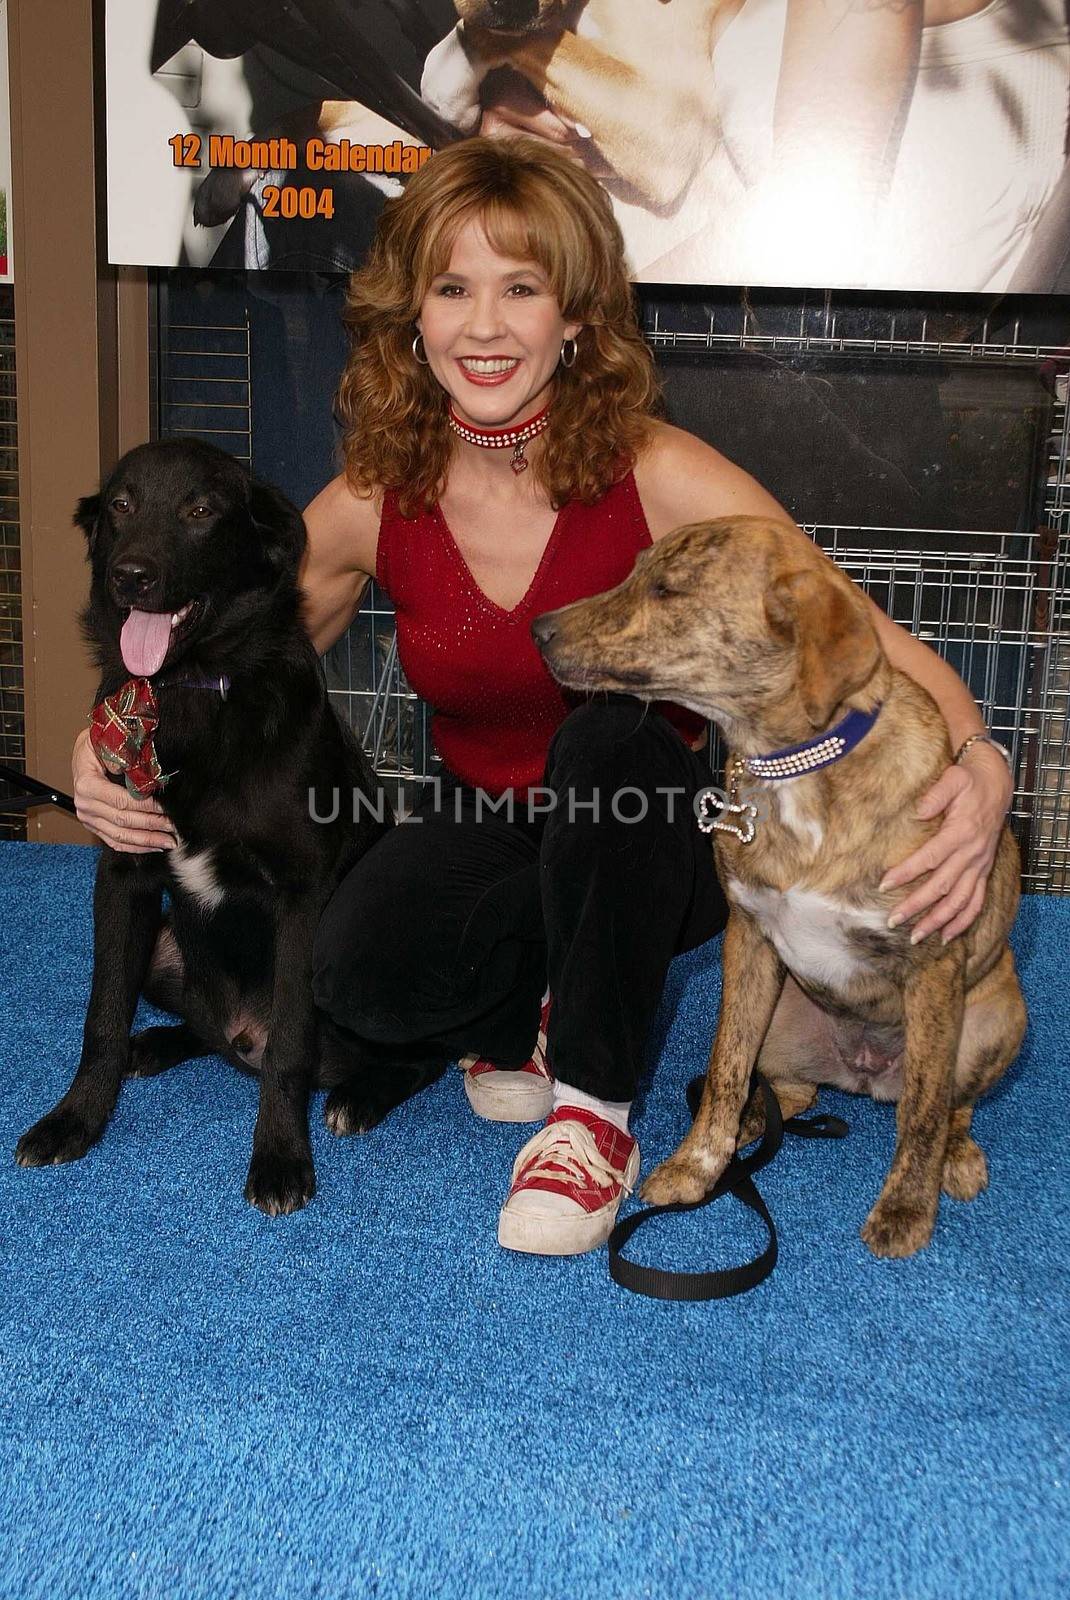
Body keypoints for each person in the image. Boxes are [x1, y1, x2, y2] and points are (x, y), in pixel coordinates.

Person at [72, 135, 1013, 1257]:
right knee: (353, 978)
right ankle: (524, 1010)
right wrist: (108, 738)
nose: (483, 325)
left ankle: (592, 1113)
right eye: (452, 287)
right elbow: (219, 639)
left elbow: (872, 640)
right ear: (410, 317)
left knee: (608, 735)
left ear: (574, 316)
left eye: (520, 288)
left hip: (644, 836)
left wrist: (981, 766)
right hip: (490, 836)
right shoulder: (380, 492)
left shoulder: (658, 470)